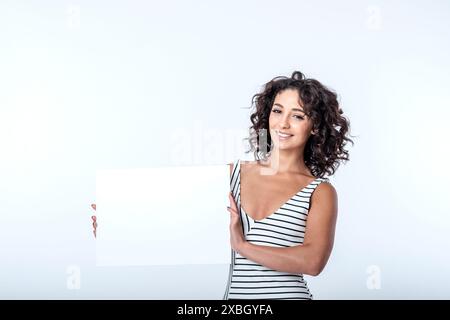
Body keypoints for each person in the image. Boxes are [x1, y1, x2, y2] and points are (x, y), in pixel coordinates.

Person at [91, 70, 352, 300]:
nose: (283, 123)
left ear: (315, 126)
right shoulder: (233, 175)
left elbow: (313, 261)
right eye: (277, 111)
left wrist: (243, 246)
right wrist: (117, 227)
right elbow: (175, 220)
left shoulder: (320, 191)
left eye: (297, 116)